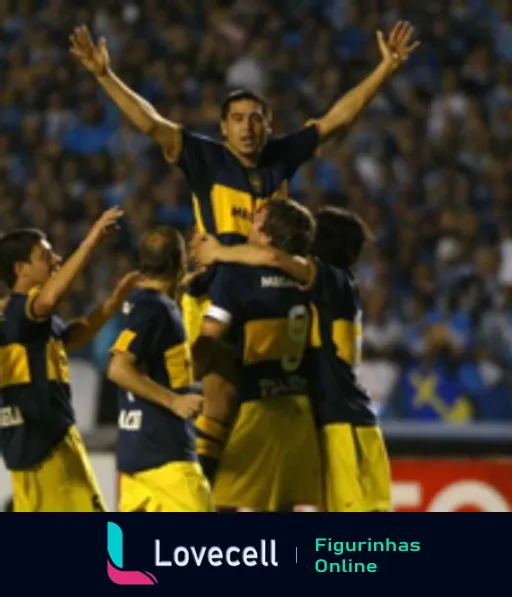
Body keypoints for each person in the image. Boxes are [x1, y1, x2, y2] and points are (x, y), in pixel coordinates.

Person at [69, 21, 419, 345]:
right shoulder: (206, 158)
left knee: (265, 399)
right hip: (213, 293)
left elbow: (336, 122)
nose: (247, 127)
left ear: (269, 125)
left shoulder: (281, 155)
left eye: (255, 119)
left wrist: (385, 69)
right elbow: (151, 123)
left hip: (268, 291)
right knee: (212, 397)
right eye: (237, 119)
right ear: (223, 127)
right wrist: (105, 76)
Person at [192, 206, 392, 512]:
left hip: (344, 419)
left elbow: (273, 257)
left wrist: (220, 252)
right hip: (319, 416)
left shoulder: (331, 280)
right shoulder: (319, 289)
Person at [0, 207, 136, 512]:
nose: (56, 261)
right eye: (46, 256)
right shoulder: (22, 311)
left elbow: (75, 335)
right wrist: (91, 240)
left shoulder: (23, 319)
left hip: (26, 448)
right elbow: (48, 299)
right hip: (50, 446)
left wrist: (113, 301)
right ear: (21, 268)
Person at [192, 199, 322, 512]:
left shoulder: (238, 277)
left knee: (218, 506)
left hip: (260, 411)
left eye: (256, 220)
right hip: (301, 414)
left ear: (265, 235)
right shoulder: (308, 276)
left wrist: (187, 370)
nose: (249, 223)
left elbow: (211, 336)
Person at [107, 227, 211, 512]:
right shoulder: (155, 310)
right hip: (166, 455)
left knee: (127, 556)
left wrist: (178, 289)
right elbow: (118, 368)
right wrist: (174, 401)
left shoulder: (142, 302)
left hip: (135, 458)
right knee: (209, 553)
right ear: (180, 260)